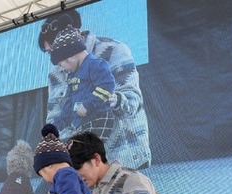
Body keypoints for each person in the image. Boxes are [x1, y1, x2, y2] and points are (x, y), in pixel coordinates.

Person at [38, 10, 151, 170]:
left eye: (56, 50)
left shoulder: (113, 50)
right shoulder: (56, 73)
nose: (55, 61)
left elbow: (134, 101)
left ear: (76, 33)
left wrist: (108, 100)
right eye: (49, 53)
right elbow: (55, 115)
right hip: (83, 162)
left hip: (123, 157)